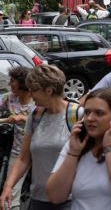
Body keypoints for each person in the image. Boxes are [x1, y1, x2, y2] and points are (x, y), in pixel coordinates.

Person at [46, 88, 111, 209]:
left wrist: (110, 148)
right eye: (86, 112)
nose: (90, 118)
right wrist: (73, 153)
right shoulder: (76, 143)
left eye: (99, 113)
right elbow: (55, 196)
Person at [0, 65, 72, 209]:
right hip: (38, 199)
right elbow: (23, 158)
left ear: (49, 91)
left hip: (70, 200)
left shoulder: (76, 115)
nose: (30, 94)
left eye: (33, 90)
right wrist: (8, 187)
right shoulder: (35, 117)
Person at [0, 67, 34, 210]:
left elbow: (47, 120)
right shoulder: (9, 97)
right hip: (19, 151)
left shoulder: (37, 99)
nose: (9, 84)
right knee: (10, 194)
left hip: (40, 150)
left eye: (13, 81)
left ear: (22, 83)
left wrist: (23, 118)